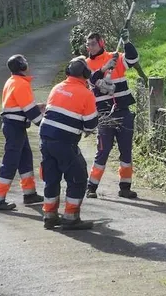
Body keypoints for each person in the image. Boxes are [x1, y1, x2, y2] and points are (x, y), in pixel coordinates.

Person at [84, 30, 147, 199]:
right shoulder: (86, 63)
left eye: (93, 44)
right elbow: (91, 82)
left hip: (123, 111)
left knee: (126, 151)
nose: (90, 47)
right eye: (88, 44)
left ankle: (125, 187)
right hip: (104, 114)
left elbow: (133, 59)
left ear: (101, 43)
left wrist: (127, 42)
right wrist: (104, 68)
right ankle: (91, 187)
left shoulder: (116, 57)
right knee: (102, 151)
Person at [38, 56, 98, 230]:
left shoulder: (57, 88)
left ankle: (49, 216)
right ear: (85, 74)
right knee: (78, 178)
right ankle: (70, 217)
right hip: (65, 142)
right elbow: (91, 124)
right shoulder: (86, 94)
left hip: (45, 139)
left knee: (51, 178)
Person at [0, 54, 45, 211]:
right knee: (10, 162)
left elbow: (20, 105)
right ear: (22, 66)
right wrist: (44, 124)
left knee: (25, 158)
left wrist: (37, 106)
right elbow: (29, 111)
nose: (28, 64)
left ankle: (30, 194)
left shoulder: (12, 81)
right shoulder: (21, 84)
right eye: (26, 62)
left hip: (15, 126)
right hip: (15, 127)